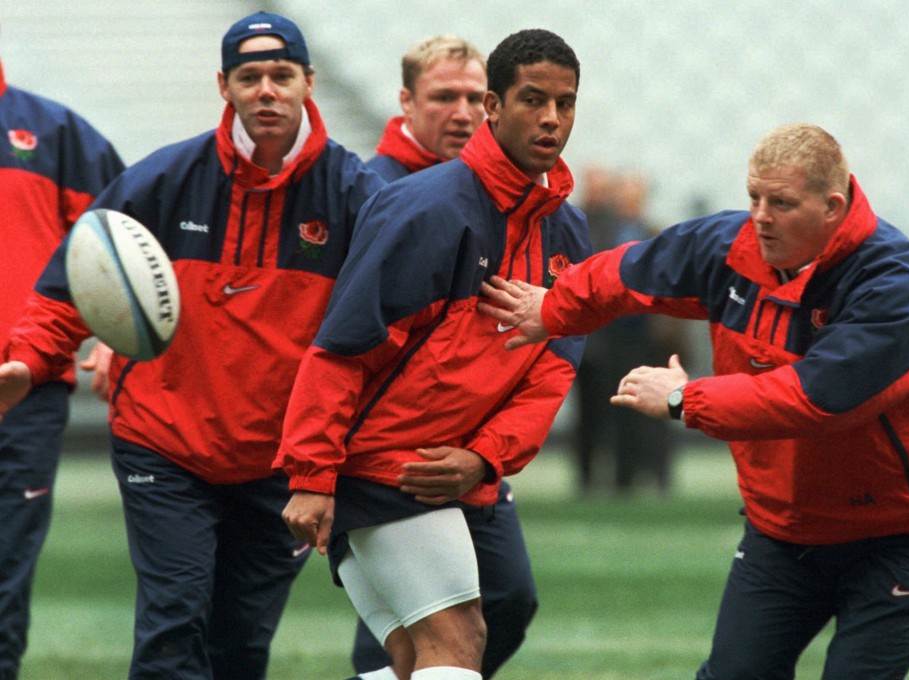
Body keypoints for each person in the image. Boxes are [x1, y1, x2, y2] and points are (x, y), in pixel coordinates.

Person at [479, 123, 909, 679]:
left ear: (833, 206)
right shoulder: (732, 246)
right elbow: (633, 271)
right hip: (783, 529)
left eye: (782, 202)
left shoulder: (895, 286)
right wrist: (555, 308)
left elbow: (813, 400)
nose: (761, 216)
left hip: (900, 533)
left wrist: (681, 398)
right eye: (754, 197)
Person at [0, 12, 383, 679]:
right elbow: (70, 282)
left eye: (281, 75)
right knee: (172, 627)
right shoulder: (164, 178)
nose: (267, 90)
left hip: (277, 462)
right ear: (224, 85)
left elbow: (396, 317)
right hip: (164, 445)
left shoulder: (355, 195)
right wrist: (29, 361)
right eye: (250, 76)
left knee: (240, 644)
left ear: (308, 83)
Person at [275, 28, 588, 680]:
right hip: (390, 467)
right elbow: (341, 350)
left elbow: (552, 369)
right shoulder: (428, 208)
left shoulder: (566, 227)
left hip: (459, 470)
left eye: (566, 102)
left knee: (417, 655)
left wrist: (484, 457)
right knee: (460, 639)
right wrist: (312, 474)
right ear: (495, 108)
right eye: (534, 99)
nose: (552, 118)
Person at [350, 35, 538, 680]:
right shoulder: (369, 189)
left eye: (470, 97)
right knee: (419, 632)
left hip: (471, 439)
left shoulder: (501, 196)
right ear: (405, 101)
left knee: (507, 598)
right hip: (389, 447)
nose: (461, 112)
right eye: (442, 97)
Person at [0, 33, 124, 678]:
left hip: (23, 394)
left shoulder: (55, 134)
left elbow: (124, 242)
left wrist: (109, 329)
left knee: (4, 569)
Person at [572, 168, 679, 494]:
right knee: (613, 410)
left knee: (658, 410)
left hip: (648, 337)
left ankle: (657, 477)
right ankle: (618, 479)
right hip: (611, 338)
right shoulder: (605, 235)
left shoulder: (656, 233)